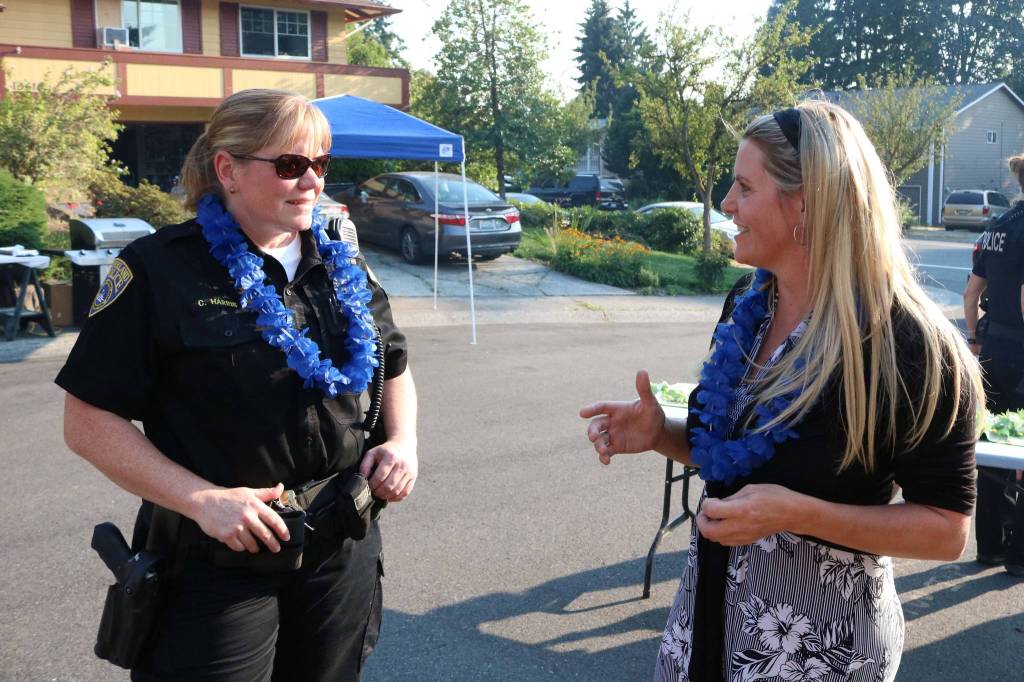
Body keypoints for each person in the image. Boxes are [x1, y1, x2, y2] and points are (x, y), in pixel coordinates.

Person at [581, 101, 982, 682]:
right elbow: (739, 459)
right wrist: (662, 434)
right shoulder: (747, 303)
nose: (725, 204)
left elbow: (946, 529)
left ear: (807, 203)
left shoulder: (907, 342)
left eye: (744, 186)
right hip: (705, 629)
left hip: (821, 652)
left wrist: (797, 514)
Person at [57, 89, 417, 680]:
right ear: (227, 169)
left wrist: (402, 442)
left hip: (340, 542)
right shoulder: (158, 268)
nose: (312, 182)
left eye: (320, 164)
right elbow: (88, 421)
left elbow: (394, 366)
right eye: (290, 165)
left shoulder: (343, 263)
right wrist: (203, 501)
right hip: (216, 556)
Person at [963, 153, 1024, 576]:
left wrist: (973, 340)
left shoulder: (998, 227)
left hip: (993, 348)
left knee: (994, 446)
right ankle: (1019, 555)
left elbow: (971, 294)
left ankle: (990, 545)